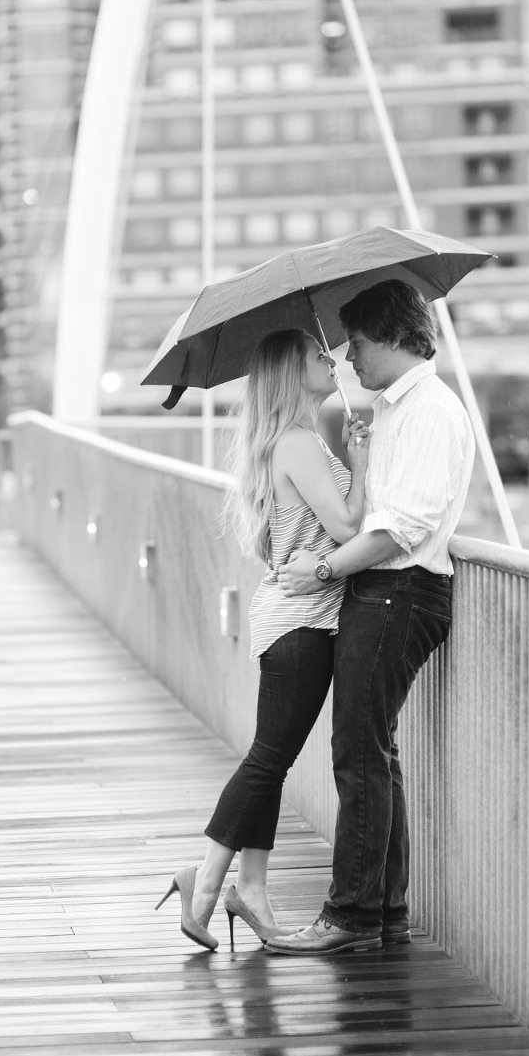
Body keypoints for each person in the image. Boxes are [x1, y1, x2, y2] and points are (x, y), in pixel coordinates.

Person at [266, 279, 474, 956]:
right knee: (373, 754)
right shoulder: (397, 410)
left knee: (358, 752)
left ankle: (350, 914)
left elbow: (399, 530)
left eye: (356, 343)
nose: (348, 358)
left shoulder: (429, 412)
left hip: (398, 591)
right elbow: (372, 511)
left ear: (389, 336)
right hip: (386, 593)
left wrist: (321, 570)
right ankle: (382, 911)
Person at [156, 329, 369, 950]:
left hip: (294, 619)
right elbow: (349, 523)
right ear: (289, 371)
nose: (330, 361)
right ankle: (205, 888)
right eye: (317, 355)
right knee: (267, 760)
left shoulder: (289, 441)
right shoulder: (299, 443)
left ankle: (246, 886)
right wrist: (360, 462)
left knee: (270, 761)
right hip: (302, 622)